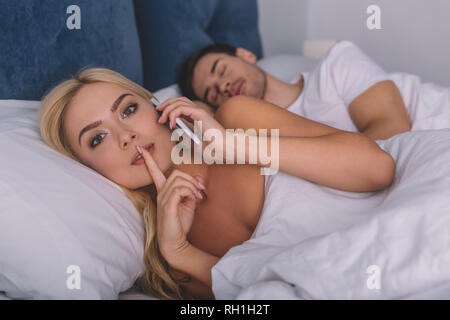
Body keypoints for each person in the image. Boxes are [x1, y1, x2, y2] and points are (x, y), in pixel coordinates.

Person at [38, 67, 395, 300]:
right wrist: (180, 252)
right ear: (88, 170)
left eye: (128, 110)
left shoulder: (238, 118)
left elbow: (378, 167)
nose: (126, 135)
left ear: (157, 108)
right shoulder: (166, 254)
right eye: (97, 139)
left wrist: (233, 145)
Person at [178, 41, 419, 141]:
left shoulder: (337, 64)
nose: (223, 86)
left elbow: (394, 131)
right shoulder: (258, 140)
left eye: (221, 71)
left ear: (246, 55)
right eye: (213, 94)